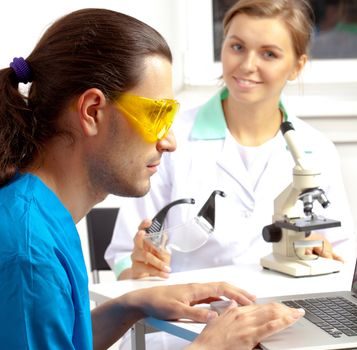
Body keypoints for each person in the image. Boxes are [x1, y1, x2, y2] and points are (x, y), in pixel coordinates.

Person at [0, 7, 306, 350]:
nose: (169, 141)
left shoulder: (40, 215)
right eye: (156, 115)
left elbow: (65, 339)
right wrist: (210, 346)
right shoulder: (28, 252)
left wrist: (132, 305)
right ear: (92, 112)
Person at [106, 0, 353, 280]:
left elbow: (340, 257)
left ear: (297, 66)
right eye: (237, 47)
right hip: (192, 317)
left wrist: (323, 253)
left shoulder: (316, 149)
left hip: (287, 315)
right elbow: (125, 257)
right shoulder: (169, 138)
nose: (247, 65)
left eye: (269, 54)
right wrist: (139, 266)